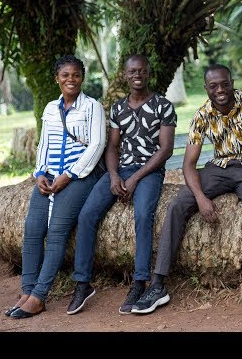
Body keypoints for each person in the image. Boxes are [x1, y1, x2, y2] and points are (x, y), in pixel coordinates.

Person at [130, 64, 242, 317]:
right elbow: (188, 164)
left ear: (232, 82)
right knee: (177, 205)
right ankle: (158, 285)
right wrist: (200, 198)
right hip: (218, 168)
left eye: (224, 84)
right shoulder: (202, 115)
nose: (220, 90)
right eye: (213, 86)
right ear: (206, 88)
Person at [66, 54, 177, 315]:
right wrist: (115, 176)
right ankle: (82, 282)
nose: (137, 75)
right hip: (121, 170)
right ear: (125, 75)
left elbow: (165, 150)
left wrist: (136, 178)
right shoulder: (117, 108)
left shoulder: (163, 105)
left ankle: (139, 282)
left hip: (149, 172)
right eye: (132, 71)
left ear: (148, 73)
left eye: (142, 71)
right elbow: (113, 146)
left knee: (142, 215)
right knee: (87, 215)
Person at [5, 55, 107, 319]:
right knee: (32, 228)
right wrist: (40, 173)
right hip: (49, 175)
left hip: (80, 176)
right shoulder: (50, 108)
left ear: (82, 77)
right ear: (57, 79)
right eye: (65, 75)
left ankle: (39, 296)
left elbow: (96, 146)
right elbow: (44, 144)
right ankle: (27, 291)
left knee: (58, 230)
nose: (70, 80)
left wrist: (69, 175)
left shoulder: (93, 107)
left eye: (75, 75)